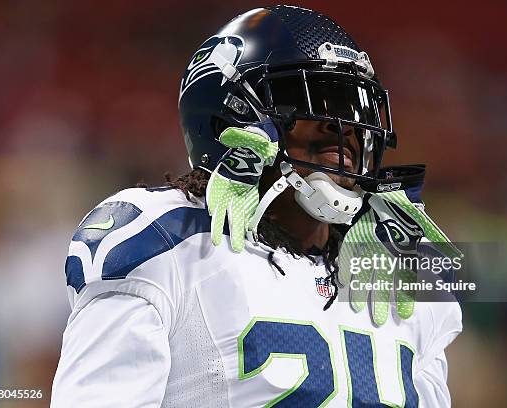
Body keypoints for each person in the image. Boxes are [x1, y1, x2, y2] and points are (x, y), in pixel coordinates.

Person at [51, 5, 462, 407]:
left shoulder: (396, 273)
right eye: (311, 103)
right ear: (230, 118)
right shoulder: (166, 241)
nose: (344, 130)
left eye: (353, 110)